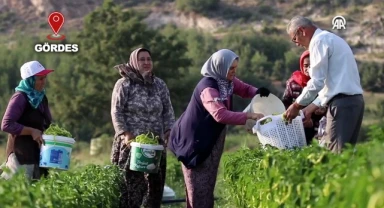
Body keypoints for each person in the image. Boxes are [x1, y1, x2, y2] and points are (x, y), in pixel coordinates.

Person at [169, 49, 270, 208]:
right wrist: (249, 116)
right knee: (197, 186)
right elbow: (220, 115)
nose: (234, 72)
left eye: (235, 68)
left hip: (210, 138)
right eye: (231, 69)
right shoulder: (208, 88)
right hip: (194, 141)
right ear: (220, 67)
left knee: (207, 185)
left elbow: (244, 89)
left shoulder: (226, 81)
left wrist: (258, 92)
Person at [283, 16, 364, 153]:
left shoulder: (318, 41)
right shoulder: (331, 38)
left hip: (341, 105)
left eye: (294, 39)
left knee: (333, 157)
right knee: (346, 156)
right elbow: (329, 87)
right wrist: (308, 110)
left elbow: (316, 82)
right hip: (354, 102)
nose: (296, 44)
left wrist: (296, 105)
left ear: (302, 31)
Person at [110, 48, 175, 208]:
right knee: (130, 189)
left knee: (154, 190)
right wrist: (125, 134)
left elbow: (168, 110)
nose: (146, 63)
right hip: (131, 145)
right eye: (142, 59)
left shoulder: (159, 84)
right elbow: (116, 111)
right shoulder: (124, 84)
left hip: (155, 146)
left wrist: (169, 131)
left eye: (148, 59)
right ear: (134, 62)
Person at [1, 60, 53, 180]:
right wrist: (31, 131)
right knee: (18, 193)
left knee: (38, 194)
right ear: (30, 80)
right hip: (21, 155)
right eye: (40, 79)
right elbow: (6, 124)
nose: (44, 82)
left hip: (38, 155)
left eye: (44, 78)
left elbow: (47, 124)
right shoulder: (20, 97)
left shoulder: (42, 98)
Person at [282, 50, 326, 144]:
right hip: (294, 127)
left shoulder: (323, 83)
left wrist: (313, 119)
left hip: (318, 130)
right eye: (306, 65)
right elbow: (285, 103)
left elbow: (327, 107)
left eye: (312, 65)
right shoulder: (293, 83)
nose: (308, 68)